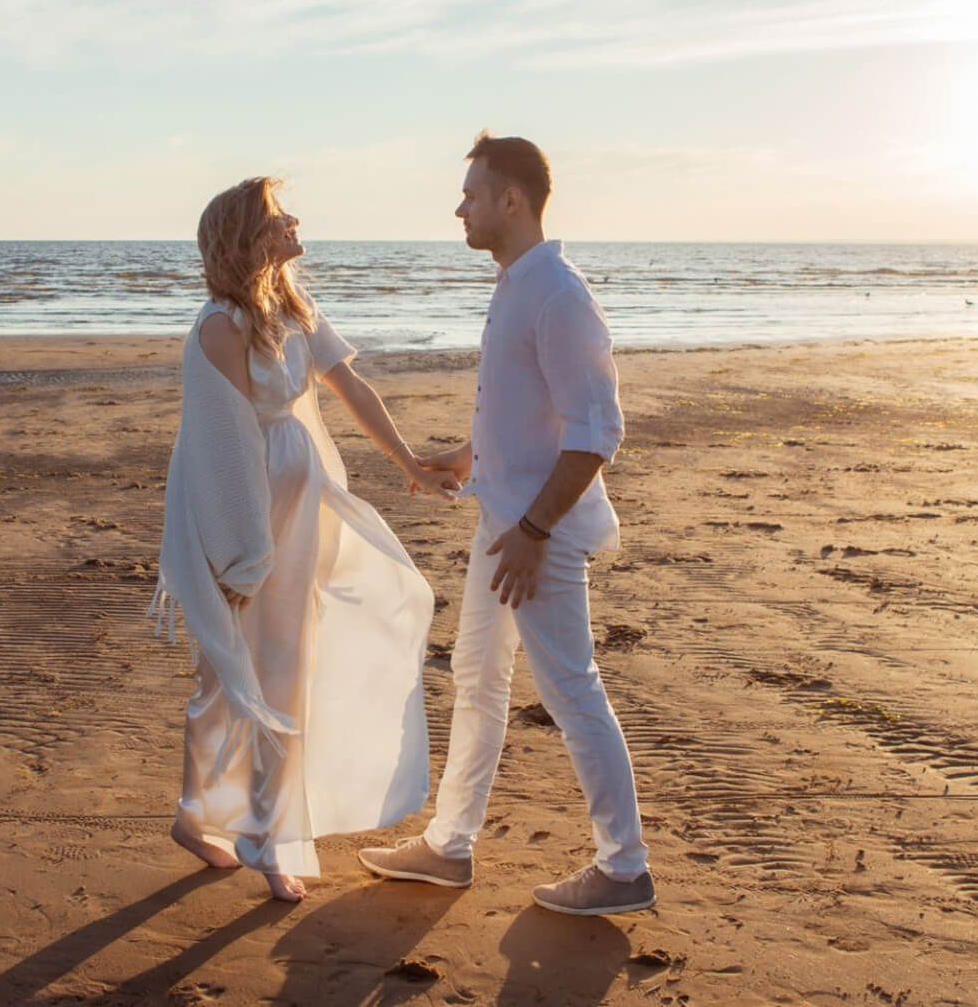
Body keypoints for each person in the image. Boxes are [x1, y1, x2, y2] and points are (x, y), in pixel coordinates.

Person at [358, 133, 655, 915]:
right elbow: (537, 418)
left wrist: (531, 532)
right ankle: (448, 846)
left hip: (538, 537)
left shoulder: (557, 293)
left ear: (510, 201)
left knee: (569, 689)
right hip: (506, 521)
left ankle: (623, 865)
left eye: (472, 193)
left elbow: (597, 431)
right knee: (477, 678)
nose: (460, 206)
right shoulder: (519, 285)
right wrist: (466, 459)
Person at [149, 176, 458, 902]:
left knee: (283, 660)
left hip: (307, 496)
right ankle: (219, 822)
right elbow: (223, 445)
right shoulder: (219, 326)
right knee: (231, 668)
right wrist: (240, 552)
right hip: (247, 509)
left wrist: (408, 463)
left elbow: (353, 389)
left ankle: (253, 827)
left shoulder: (291, 306)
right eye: (279, 215)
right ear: (249, 237)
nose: (294, 220)